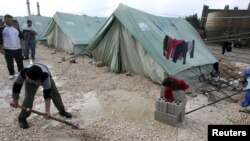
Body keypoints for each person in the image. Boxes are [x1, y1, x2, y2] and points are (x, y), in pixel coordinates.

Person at [10, 63, 72, 129]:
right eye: (26, 76)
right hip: (32, 78)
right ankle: (22, 117)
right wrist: (15, 100)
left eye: (28, 78)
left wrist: (47, 111)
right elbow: (17, 86)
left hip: (42, 77)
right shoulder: (24, 73)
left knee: (55, 93)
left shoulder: (46, 78)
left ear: (36, 80)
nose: (26, 78)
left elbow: (47, 96)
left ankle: (62, 111)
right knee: (28, 97)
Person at [0, 14, 24, 79]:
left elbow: (22, 36)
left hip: (18, 48)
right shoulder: (2, 29)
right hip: (8, 49)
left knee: (20, 61)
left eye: (11, 20)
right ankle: (11, 73)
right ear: (5, 20)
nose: (10, 21)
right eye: (8, 20)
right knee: (9, 62)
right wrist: (1, 48)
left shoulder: (16, 29)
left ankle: (21, 72)